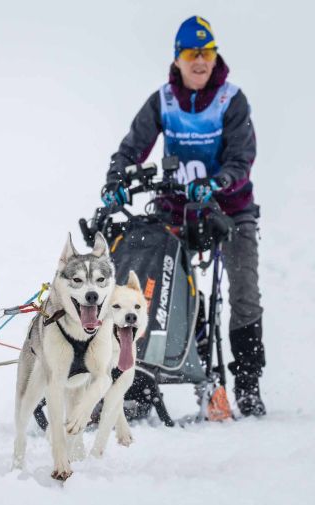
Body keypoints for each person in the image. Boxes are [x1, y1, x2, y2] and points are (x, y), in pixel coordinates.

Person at [102, 16, 266, 416]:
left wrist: (217, 182)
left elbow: (242, 158)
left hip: (229, 210)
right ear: (177, 59)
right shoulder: (163, 101)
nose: (200, 61)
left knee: (244, 293)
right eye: (192, 54)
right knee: (161, 285)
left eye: (207, 53)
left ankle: (247, 385)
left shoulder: (231, 100)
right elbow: (131, 148)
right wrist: (115, 180)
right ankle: (149, 372)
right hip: (175, 210)